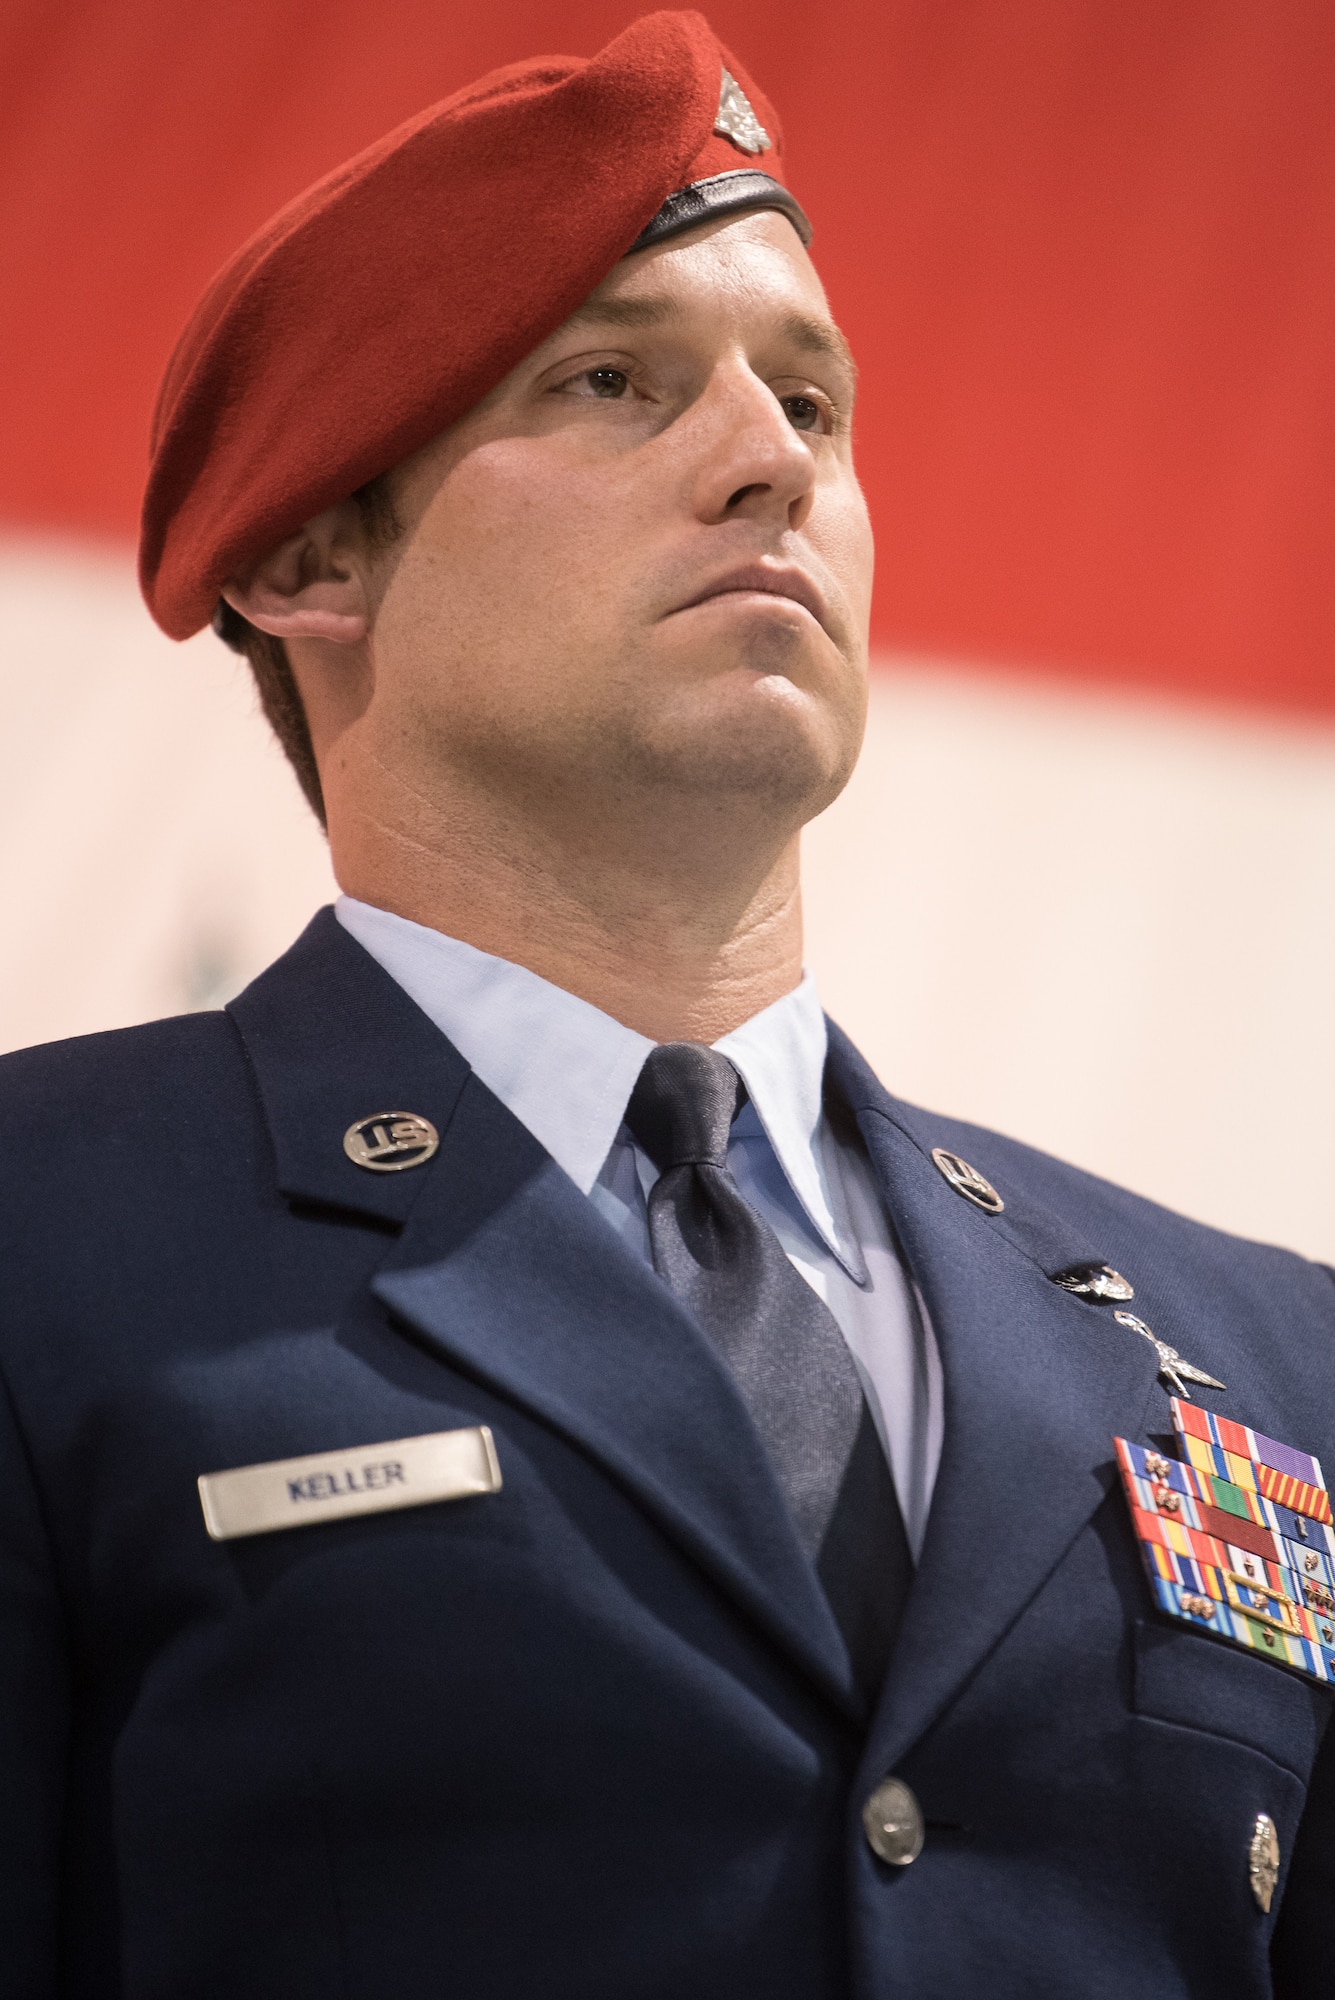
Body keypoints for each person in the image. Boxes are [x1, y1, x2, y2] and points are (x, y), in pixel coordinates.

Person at [2, 12, 1331, 1996]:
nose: (764, 459)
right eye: (615, 380)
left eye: (811, 401)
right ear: (304, 552)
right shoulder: (41, 1234)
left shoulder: (1265, 1356)